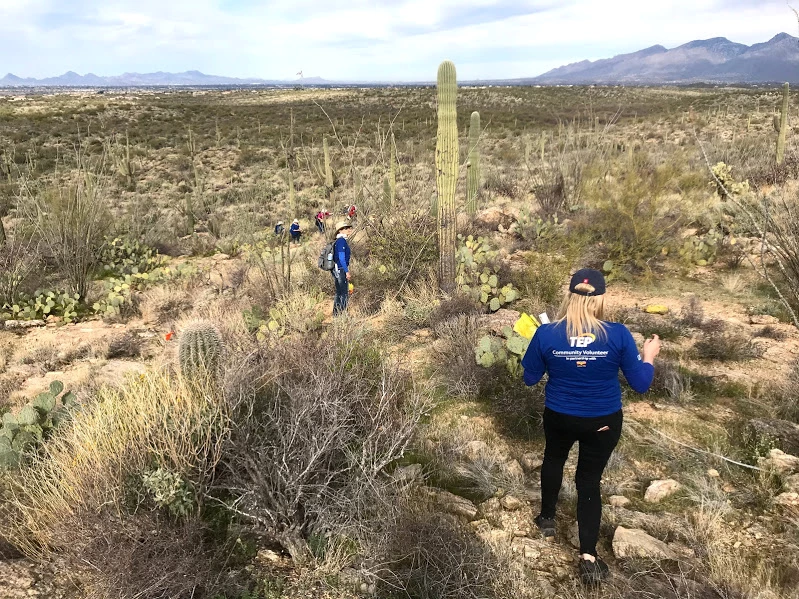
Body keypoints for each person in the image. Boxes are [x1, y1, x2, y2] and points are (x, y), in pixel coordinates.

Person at [521, 268, 661, 585]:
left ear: (570, 296)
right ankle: (588, 556)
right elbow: (641, 383)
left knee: (554, 459)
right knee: (588, 480)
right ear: (600, 299)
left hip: (560, 415)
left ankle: (546, 519)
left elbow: (530, 378)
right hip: (603, 421)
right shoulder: (619, 334)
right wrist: (649, 356)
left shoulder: (547, 333)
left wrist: (540, 351)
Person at [331, 221, 352, 316]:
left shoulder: (338, 241)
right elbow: (341, 258)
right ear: (340, 230)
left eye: (348, 228)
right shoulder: (341, 241)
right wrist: (346, 271)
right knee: (344, 293)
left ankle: (336, 314)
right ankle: (342, 314)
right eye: (346, 228)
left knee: (339, 292)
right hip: (340, 269)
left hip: (337, 269)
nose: (348, 230)